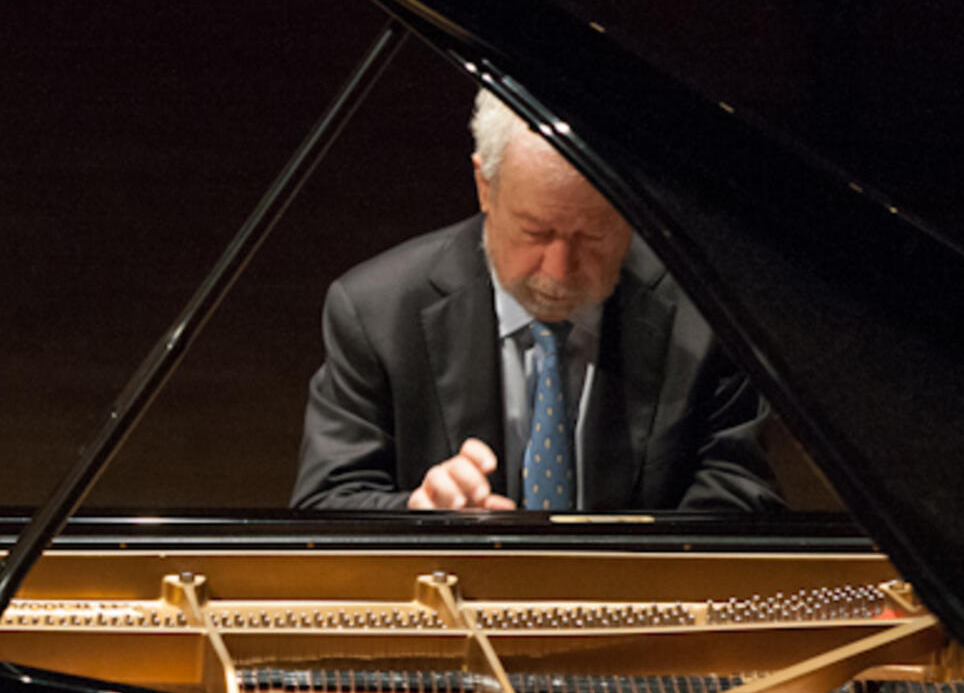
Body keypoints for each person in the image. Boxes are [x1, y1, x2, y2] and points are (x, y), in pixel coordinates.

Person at [292, 91, 782, 513]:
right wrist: (420, 515)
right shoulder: (377, 312)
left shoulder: (710, 312)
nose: (559, 271)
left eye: (592, 235)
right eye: (536, 232)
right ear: (485, 187)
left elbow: (739, 495)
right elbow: (328, 502)